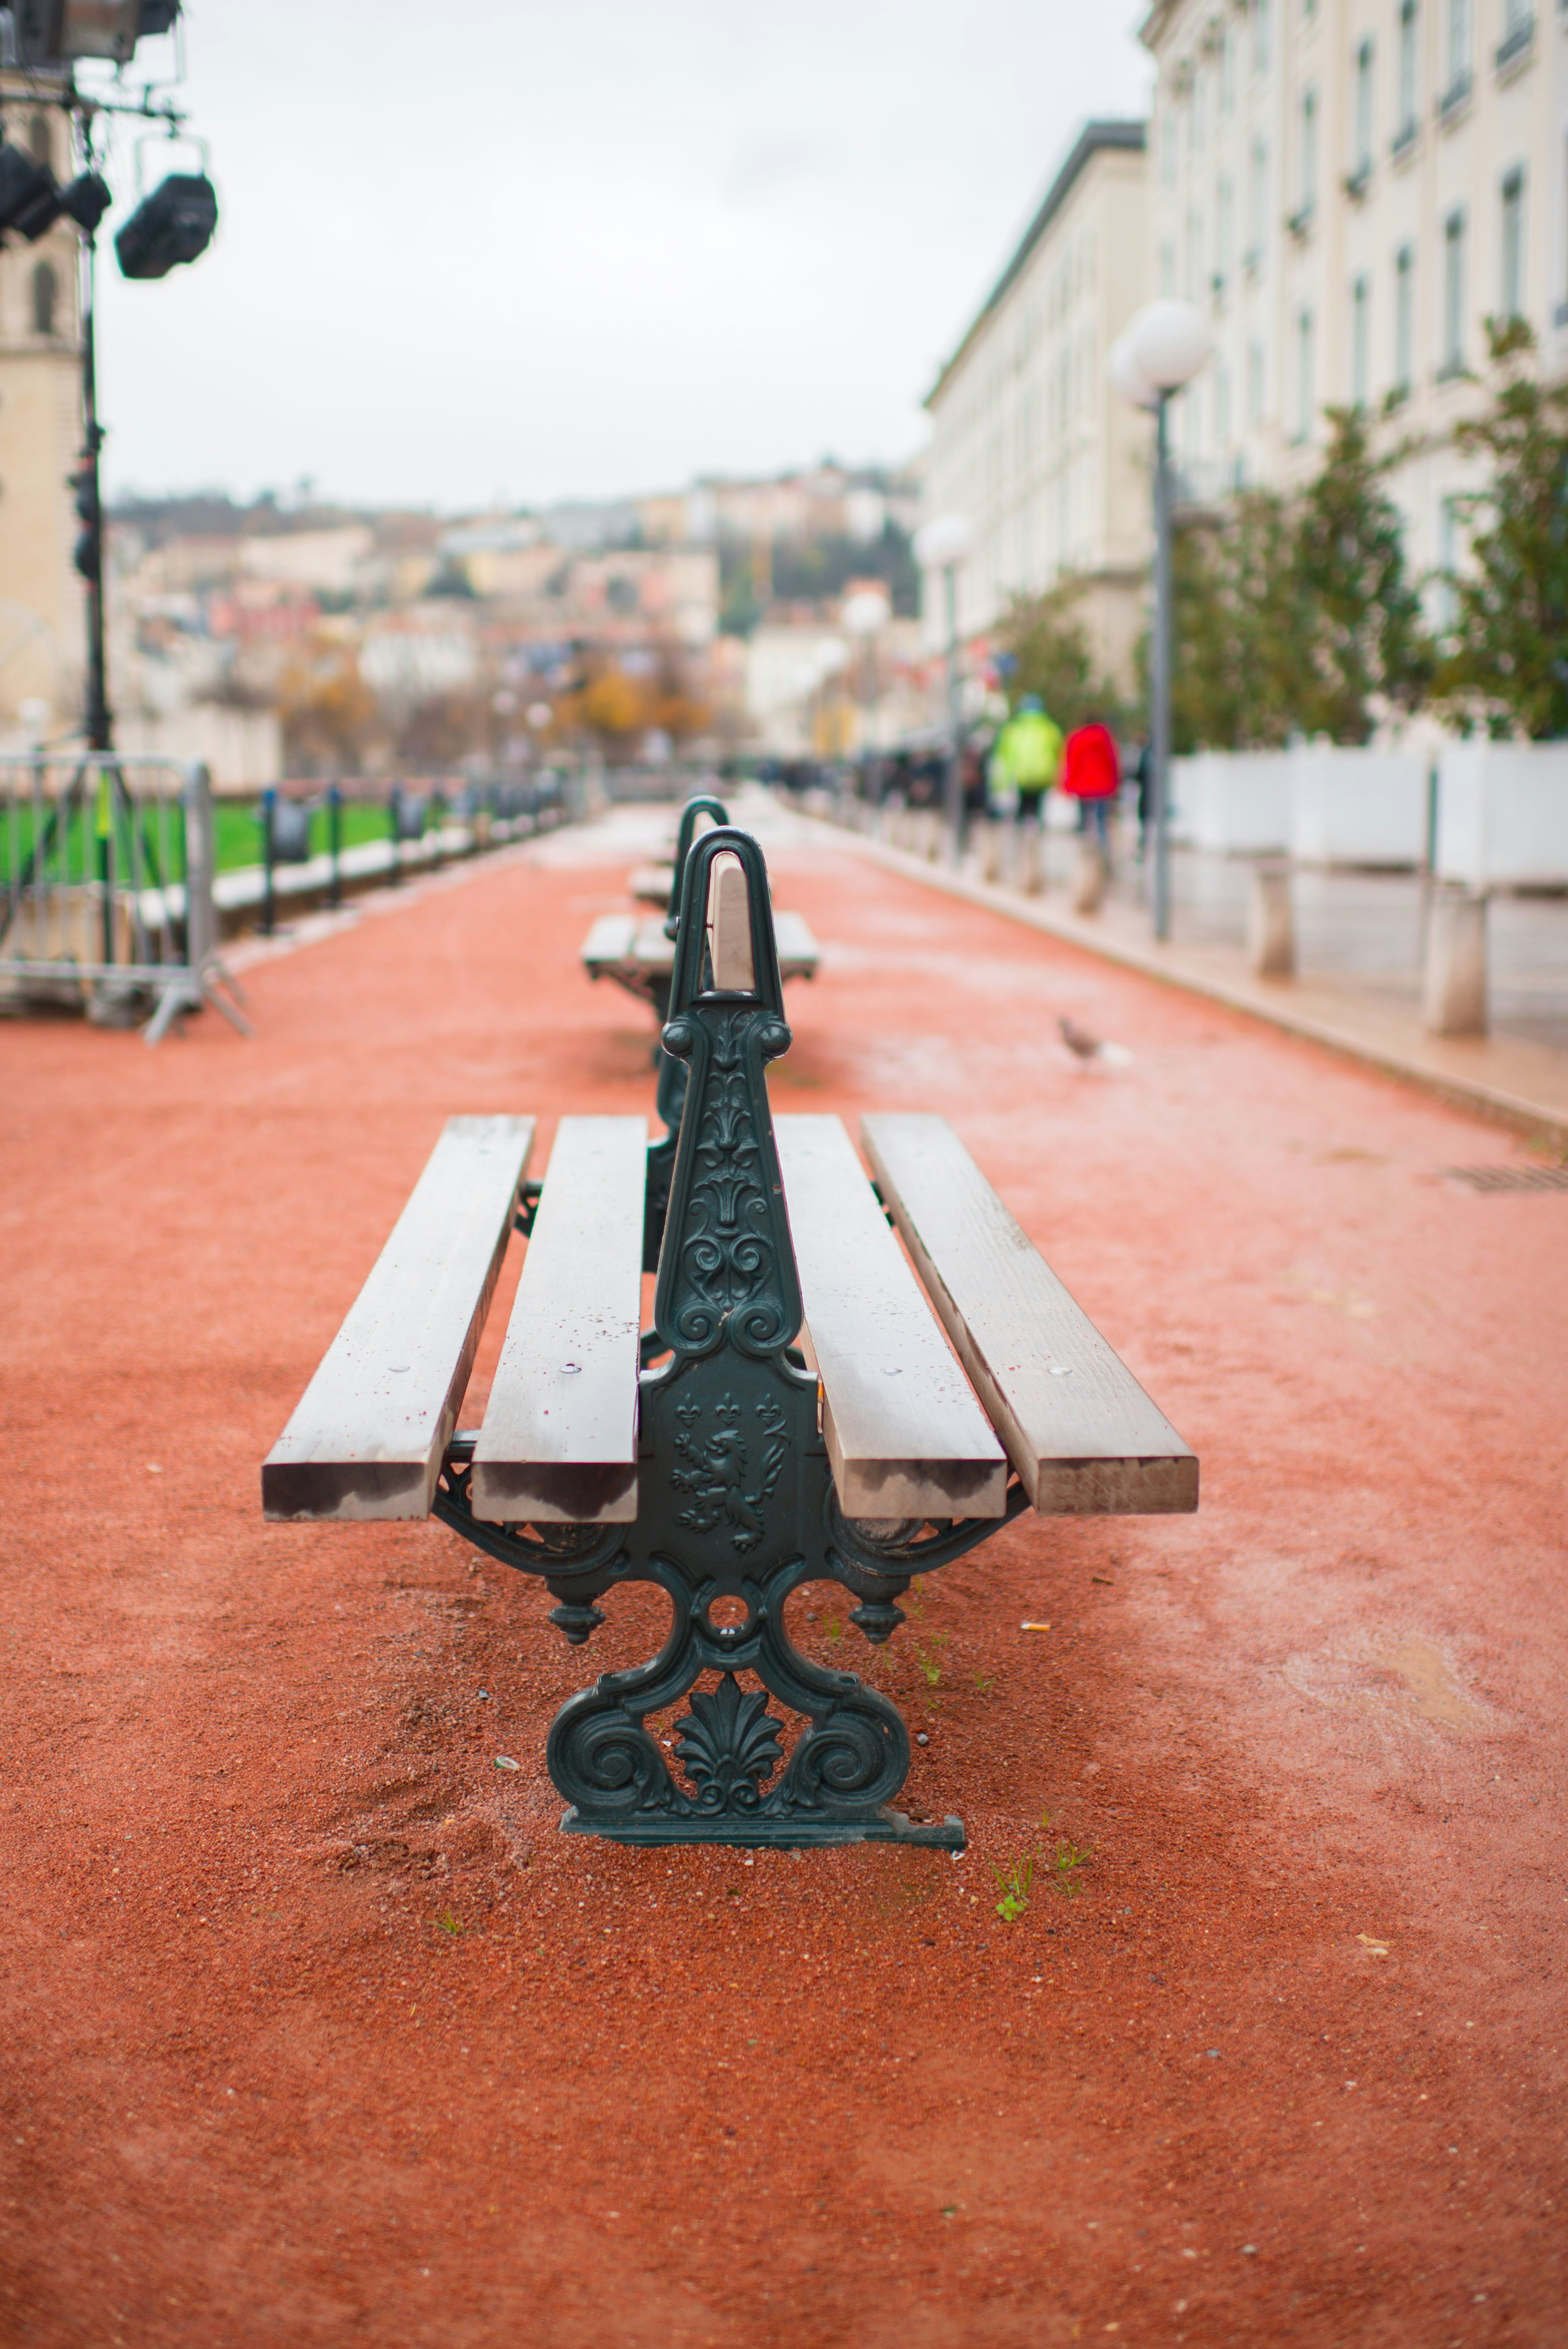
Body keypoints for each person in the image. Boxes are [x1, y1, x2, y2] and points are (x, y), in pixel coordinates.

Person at [989, 694, 1063, 833]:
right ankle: (1036, 835)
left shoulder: (1013, 730)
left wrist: (1002, 781)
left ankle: (1021, 835)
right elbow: (1059, 752)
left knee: (1022, 807)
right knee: (1038, 808)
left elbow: (1003, 756)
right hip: (1043, 775)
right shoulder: (1050, 729)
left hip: (1021, 776)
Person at [1060, 715, 1121, 860]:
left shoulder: (1077, 738)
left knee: (1084, 823)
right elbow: (1113, 762)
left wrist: (1068, 786)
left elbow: (1072, 763)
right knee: (1102, 822)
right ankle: (1103, 857)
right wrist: (1116, 785)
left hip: (1083, 787)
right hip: (1103, 787)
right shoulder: (1106, 738)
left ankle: (1085, 857)